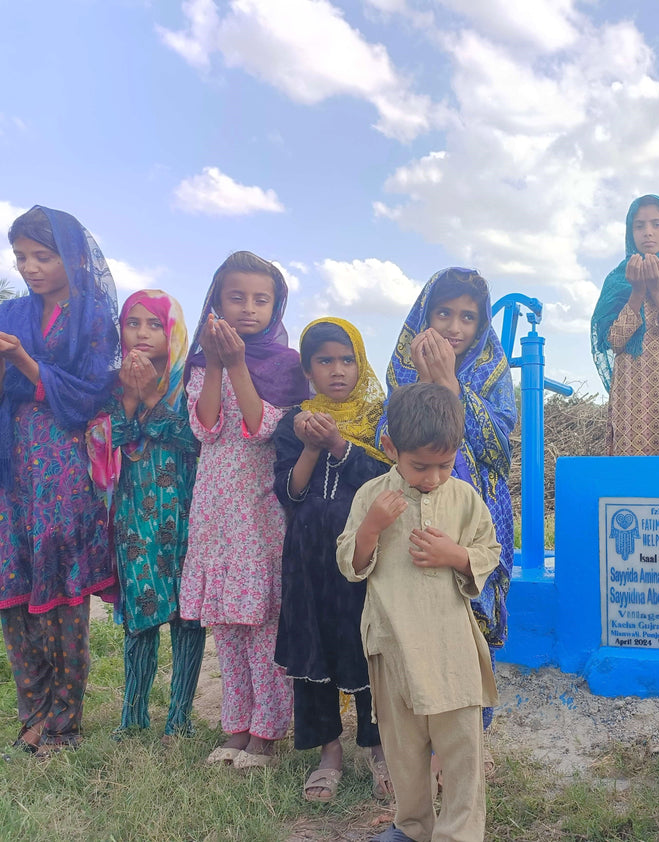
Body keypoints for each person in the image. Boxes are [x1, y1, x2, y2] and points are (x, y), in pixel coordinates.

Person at [339, 382, 500, 842]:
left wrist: (456, 555)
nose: (431, 477)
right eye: (419, 466)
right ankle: (411, 827)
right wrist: (371, 527)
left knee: (463, 751)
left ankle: (459, 832)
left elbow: (490, 550)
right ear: (390, 447)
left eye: (444, 465)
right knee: (403, 751)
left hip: (451, 649)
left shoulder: (465, 498)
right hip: (393, 646)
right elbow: (350, 563)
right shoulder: (372, 495)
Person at [179, 251, 308, 768]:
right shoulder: (198, 361)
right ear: (216, 301)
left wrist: (236, 364)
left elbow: (262, 428)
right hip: (214, 506)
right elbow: (204, 427)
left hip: (260, 508)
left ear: (277, 306)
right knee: (227, 624)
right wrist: (214, 363)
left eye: (262, 299)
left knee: (262, 622)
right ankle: (234, 726)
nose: (249, 309)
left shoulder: (287, 365)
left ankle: (267, 734)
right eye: (237, 297)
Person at [0, 206, 119, 754]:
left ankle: (65, 720)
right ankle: (32, 710)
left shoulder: (94, 321)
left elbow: (93, 395)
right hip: (12, 462)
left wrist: (24, 364)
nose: (30, 267)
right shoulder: (13, 312)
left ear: (72, 257)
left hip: (64, 463)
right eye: (21, 256)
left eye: (42, 256)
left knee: (63, 584)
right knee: (14, 582)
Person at [380, 267, 515, 736]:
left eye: (468, 317)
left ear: (481, 325)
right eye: (444, 314)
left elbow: (500, 449)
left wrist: (452, 388)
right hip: (415, 518)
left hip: (478, 518)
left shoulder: (492, 372)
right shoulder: (402, 370)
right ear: (425, 316)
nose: (455, 328)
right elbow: (386, 439)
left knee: (472, 632)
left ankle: (473, 740)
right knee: (422, 629)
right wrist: (424, 384)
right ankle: (424, 743)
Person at [272, 318, 391, 802]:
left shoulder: (380, 418)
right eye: (325, 361)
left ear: (360, 363)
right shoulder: (293, 420)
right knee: (313, 651)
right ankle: (329, 752)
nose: (337, 370)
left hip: (365, 562)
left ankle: (379, 746)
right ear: (308, 368)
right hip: (307, 559)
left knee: (366, 649)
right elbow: (291, 491)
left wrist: (340, 446)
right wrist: (310, 445)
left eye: (346, 360)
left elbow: (385, 478)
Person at [107, 290, 204, 740]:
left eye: (154, 324)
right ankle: (132, 718)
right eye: (133, 323)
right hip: (134, 518)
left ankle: (180, 717)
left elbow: (190, 437)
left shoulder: (193, 381)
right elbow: (112, 439)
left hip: (187, 514)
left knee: (188, 618)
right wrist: (131, 397)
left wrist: (151, 396)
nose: (142, 333)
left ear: (173, 332)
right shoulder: (114, 383)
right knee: (140, 617)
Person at [590, 194, 659, 455]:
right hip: (631, 401)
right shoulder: (620, 280)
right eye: (639, 226)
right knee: (631, 483)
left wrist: (658, 290)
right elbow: (614, 340)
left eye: (656, 224)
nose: (648, 233)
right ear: (631, 232)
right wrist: (637, 291)